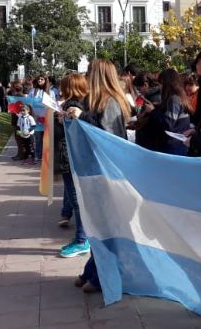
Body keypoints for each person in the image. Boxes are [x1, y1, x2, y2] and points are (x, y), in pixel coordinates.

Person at [65, 59, 131, 293]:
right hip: (95, 171)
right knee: (98, 225)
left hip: (106, 172)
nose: (86, 75)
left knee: (105, 227)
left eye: (90, 72)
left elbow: (107, 138)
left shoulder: (110, 102)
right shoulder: (100, 101)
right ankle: (94, 270)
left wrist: (81, 116)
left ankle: (102, 275)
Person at [55, 73, 89, 255]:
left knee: (76, 199)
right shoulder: (82, 103)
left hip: (70, 156)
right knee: (76, 198)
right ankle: (82, 237)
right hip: (74, 156)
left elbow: (75, 131)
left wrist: (62, 120)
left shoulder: (73, 105)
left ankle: (83, 239)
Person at [136, 68, 193, 155]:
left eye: (160, 84)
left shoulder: (174, 99)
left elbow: (168, 124)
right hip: (177, 144)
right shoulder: (177, 97)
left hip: (174, 145)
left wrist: (152, 111)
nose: (159, 87)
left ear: (167, 84)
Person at [29, 74, 51, 161]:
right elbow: (29, 103)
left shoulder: (50, 92)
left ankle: (46, 155)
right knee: (38, 138)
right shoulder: (33, 91)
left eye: (42, 79)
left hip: (47, 119)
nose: (40, 81)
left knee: (46, 139)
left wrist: (48, 116)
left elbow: (52, 105)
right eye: (38, 79)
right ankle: (38, 155)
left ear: (46, 81)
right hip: (36, 119)